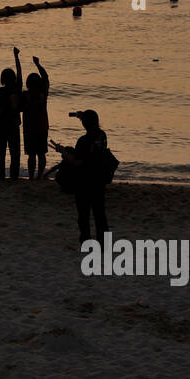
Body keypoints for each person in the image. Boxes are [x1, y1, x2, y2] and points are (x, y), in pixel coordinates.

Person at [51, 110, 111, 244]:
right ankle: (104, 243)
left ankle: (85, 242)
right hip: (98, 179)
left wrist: (63, 152)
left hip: (84, 180)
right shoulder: (102, 135)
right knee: (100, 213)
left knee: (83, 214)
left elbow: (77, 161)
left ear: (84, 123)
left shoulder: (83, 141)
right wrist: (80, 115)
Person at [0, 48, 23, 180]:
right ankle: (14, 175)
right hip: (13, 123)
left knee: (0, 151)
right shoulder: (17, 88)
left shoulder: (1, 91)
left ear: (3, 79)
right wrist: (16, 57)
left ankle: (0, 175)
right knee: (15, 151)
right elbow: (20, 73)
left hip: (0, 124)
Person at [21, 55, 50, 180]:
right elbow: (46, 77)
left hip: (29, 128)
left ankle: (32, 177)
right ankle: (40, 175)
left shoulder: (25, 95)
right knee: (41, 153)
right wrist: (38, 64)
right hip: (42, 126)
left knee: (31, 154)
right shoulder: (43, 94)